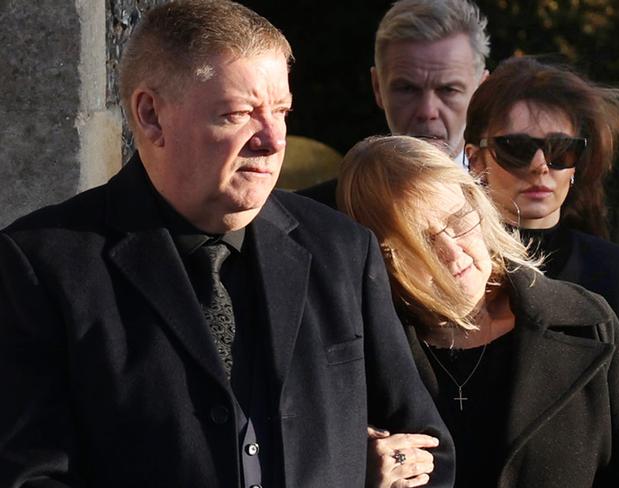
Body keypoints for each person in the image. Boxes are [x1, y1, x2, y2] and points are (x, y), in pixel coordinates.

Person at [0, 2, 455, 487]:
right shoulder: (40, 265)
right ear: (151, 115)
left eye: (281, 112)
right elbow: (30, 476)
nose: (274, 139)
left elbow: (427, 452)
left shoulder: (341, 249)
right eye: (239, 114)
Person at [338, 134, 619, 488]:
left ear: (479, 206)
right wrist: (349, 471)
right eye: (422, 242)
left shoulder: (586, 322)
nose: (454, 255)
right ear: (380, 258)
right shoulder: (351, 361)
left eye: (458, 222)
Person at [464, 56, 619, 371]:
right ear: (476, 161)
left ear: (577, 164)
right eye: (516, 147)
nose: (540, 166)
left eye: (561, 150)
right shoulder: (444, 268)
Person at [299, 0, 489, 208]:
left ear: (481, 93)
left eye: (448, 90)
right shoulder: (315, 215)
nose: (427, 111)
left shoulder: (515, 208)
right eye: (407, 89)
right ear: (378, 87)